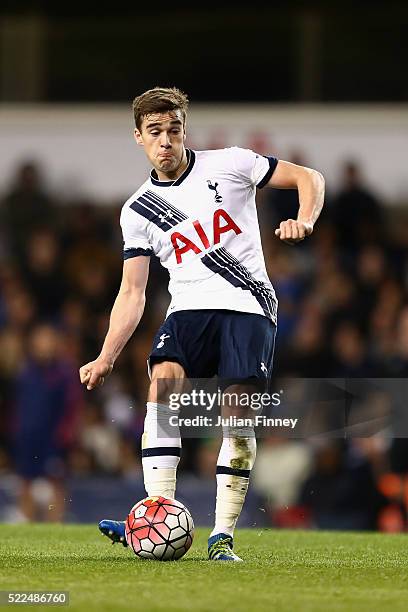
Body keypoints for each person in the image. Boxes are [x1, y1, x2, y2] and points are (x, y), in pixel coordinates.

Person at [79, 87, 325, 561]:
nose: (166, 141)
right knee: (163, 384)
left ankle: (222, 536)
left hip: (247, 305)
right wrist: (106, 355)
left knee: (237, 411)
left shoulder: (231, 163)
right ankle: (157, 514)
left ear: (183, 129)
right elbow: (132, 292)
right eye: (155, 132)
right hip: (187, 308)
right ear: (139, 138)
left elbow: (309, 177)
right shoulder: (138, 209)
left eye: (174, 130)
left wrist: (305, 220)